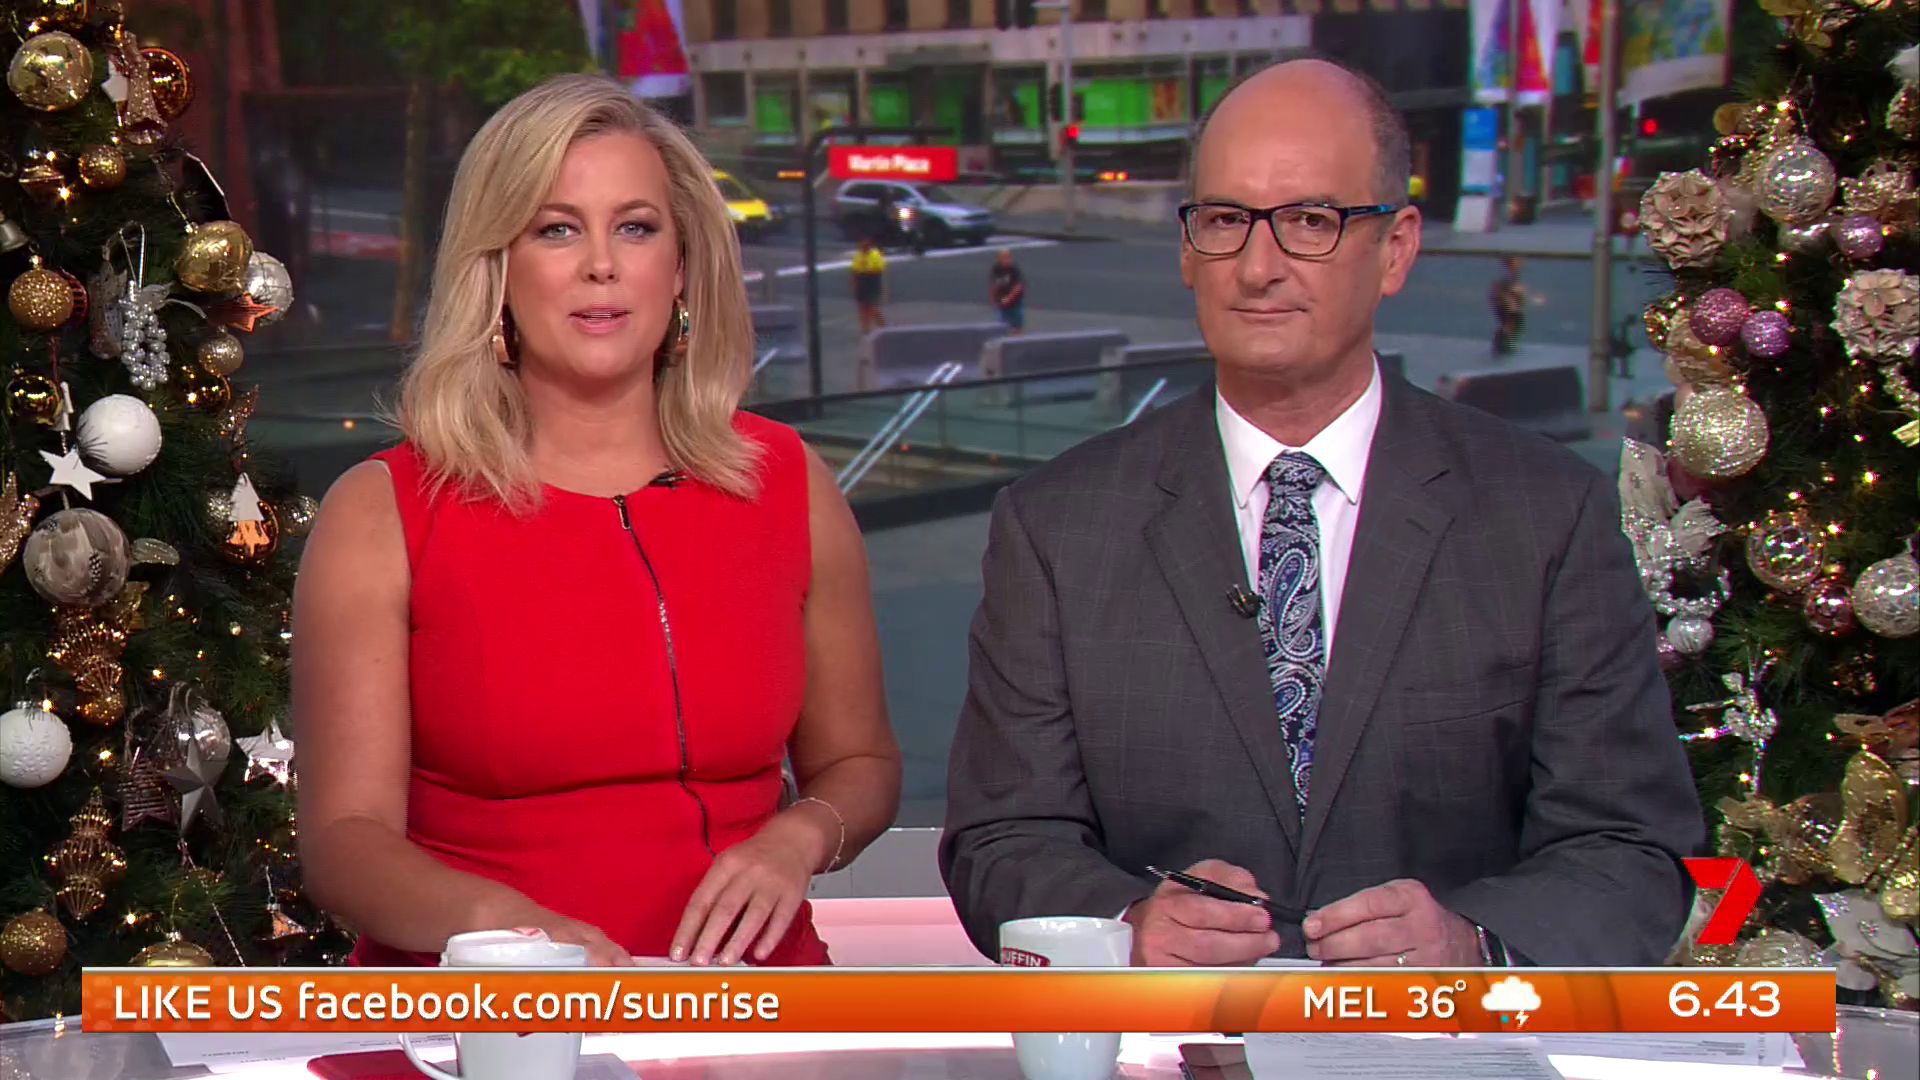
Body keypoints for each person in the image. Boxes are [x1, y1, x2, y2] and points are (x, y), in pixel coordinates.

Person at [940, 59, 1702, 969]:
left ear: (1397, 248)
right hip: (1170, 1036)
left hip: (1448, 1038)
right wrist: (1125, 925)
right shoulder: (1058, 526)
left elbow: (1628, 848)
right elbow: (1002, 840)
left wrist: (1474, 945)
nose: (1258, 268)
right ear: (1187, 249)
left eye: (1310, 221)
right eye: (1225, 220)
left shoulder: (1543, 513)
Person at [294, 74, 902, 970]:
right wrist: (502, 928)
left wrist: (799, 837)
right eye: (557, 229)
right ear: (497, 269)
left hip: (750, 1004)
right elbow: (345, 841)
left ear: (681, 265)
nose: (602, 265)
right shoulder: (385, 510)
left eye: (636, 227)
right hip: (493, 1010)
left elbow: (862, 765)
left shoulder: (786, 480)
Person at [1489, 255, 1542, 358]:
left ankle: (1507, 347)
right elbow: (1503, 293)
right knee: (1513, 326)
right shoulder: (1507, 279)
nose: (1521, 263)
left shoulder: (1511, 278)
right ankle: (1505, 348)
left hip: (1510, 308)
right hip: (1509, 308)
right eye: (1516, 261)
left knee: (1515, 326)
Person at [851, 235, 887, 335]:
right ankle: (866, 330)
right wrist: (854, 285)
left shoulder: (875, 255)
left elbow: (880, 270)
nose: (863, 246)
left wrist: (867, 268)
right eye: (861, 244)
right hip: (861, 281)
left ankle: (883, 326)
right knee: (862, 307)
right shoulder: (858, 256)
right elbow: (854, 271)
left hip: (872, 281)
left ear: (870, 244)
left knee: (872, 307)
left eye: (865, 244)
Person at [988, 248, 1026, 334]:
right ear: (999, 259)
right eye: (1003, 258)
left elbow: (1019, 287)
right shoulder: (996, 269)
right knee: (1001, 323)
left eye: (1008, 258)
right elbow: (993, 285)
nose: (1006, 260)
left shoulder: (1014, 270)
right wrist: (993, 300)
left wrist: (1008, 299)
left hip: (1014, 301)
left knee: (1016, 324)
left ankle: (1016, 333)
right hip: (1002, 299)